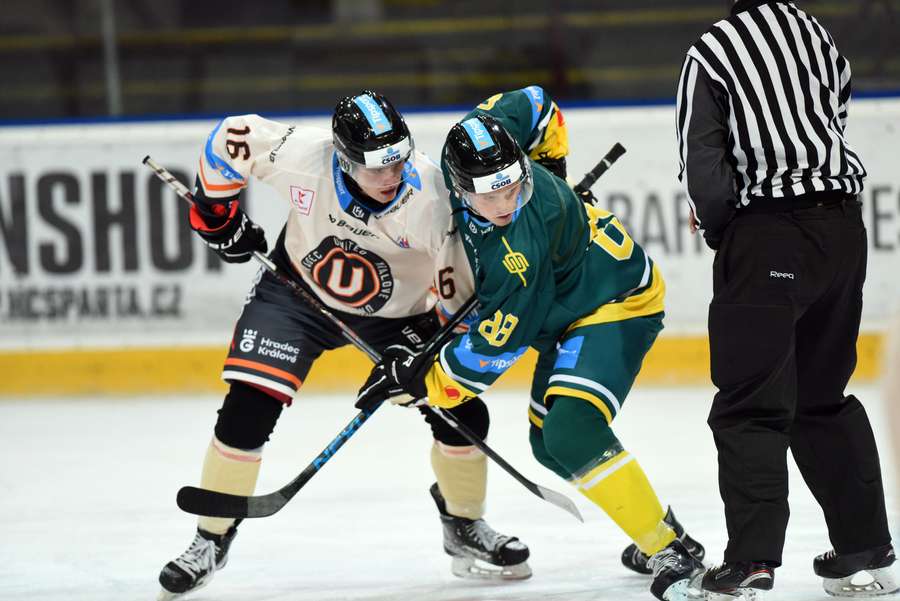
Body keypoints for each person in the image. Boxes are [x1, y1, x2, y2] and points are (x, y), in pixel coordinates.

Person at [156, 91, 531, 601]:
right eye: (375, 167)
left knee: (462, 413)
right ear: (342, 156)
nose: (391, 175)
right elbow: (230, 138)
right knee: (247, 409)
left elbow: (458, 302)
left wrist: (419, 350)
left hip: (400, 316)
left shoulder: (435, 201)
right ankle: (210, 538)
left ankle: (463, 526)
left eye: (397, 158)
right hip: (297, 295)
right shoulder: (301, 156)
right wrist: (218, 216)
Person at [356, 88, 706, 601]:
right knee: (547, 447)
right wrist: (553, 165)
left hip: (614, 300)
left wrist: (422, 385)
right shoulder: (486, 134)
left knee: (570, 432)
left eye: (513, 189)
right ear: (460, 182)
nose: (503, 205)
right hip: (567, 307)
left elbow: (491, 354)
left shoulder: (517, 253)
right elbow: (538, 104)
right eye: (489, 194)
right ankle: (663, 527)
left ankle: (672, 551)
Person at [675, 1, 896, 598]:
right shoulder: (816, 33)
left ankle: (751, 561)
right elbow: (837, 111)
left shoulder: (714, 47)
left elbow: (703, 160)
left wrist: (727, 232)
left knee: (749, 405)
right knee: (823, 396)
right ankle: (865, 545)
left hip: (769, 231)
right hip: (844, 228)